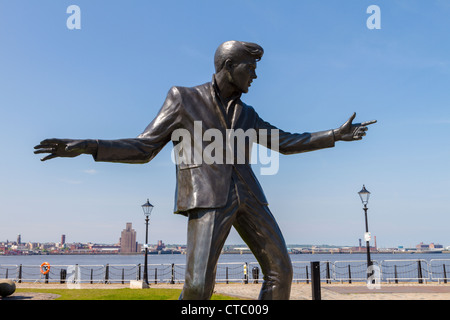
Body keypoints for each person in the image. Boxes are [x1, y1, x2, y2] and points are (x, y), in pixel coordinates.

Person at [34, 40, 376, 299]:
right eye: (249, 67)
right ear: (229, 65)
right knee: (198, 288)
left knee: (281, 271)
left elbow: (285, 142)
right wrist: (90, 145)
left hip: (250, 196)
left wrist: (335, 135)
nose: (255, 75)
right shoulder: (183, 98)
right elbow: (144, 147)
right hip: (207, 197)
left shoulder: (248, 114)